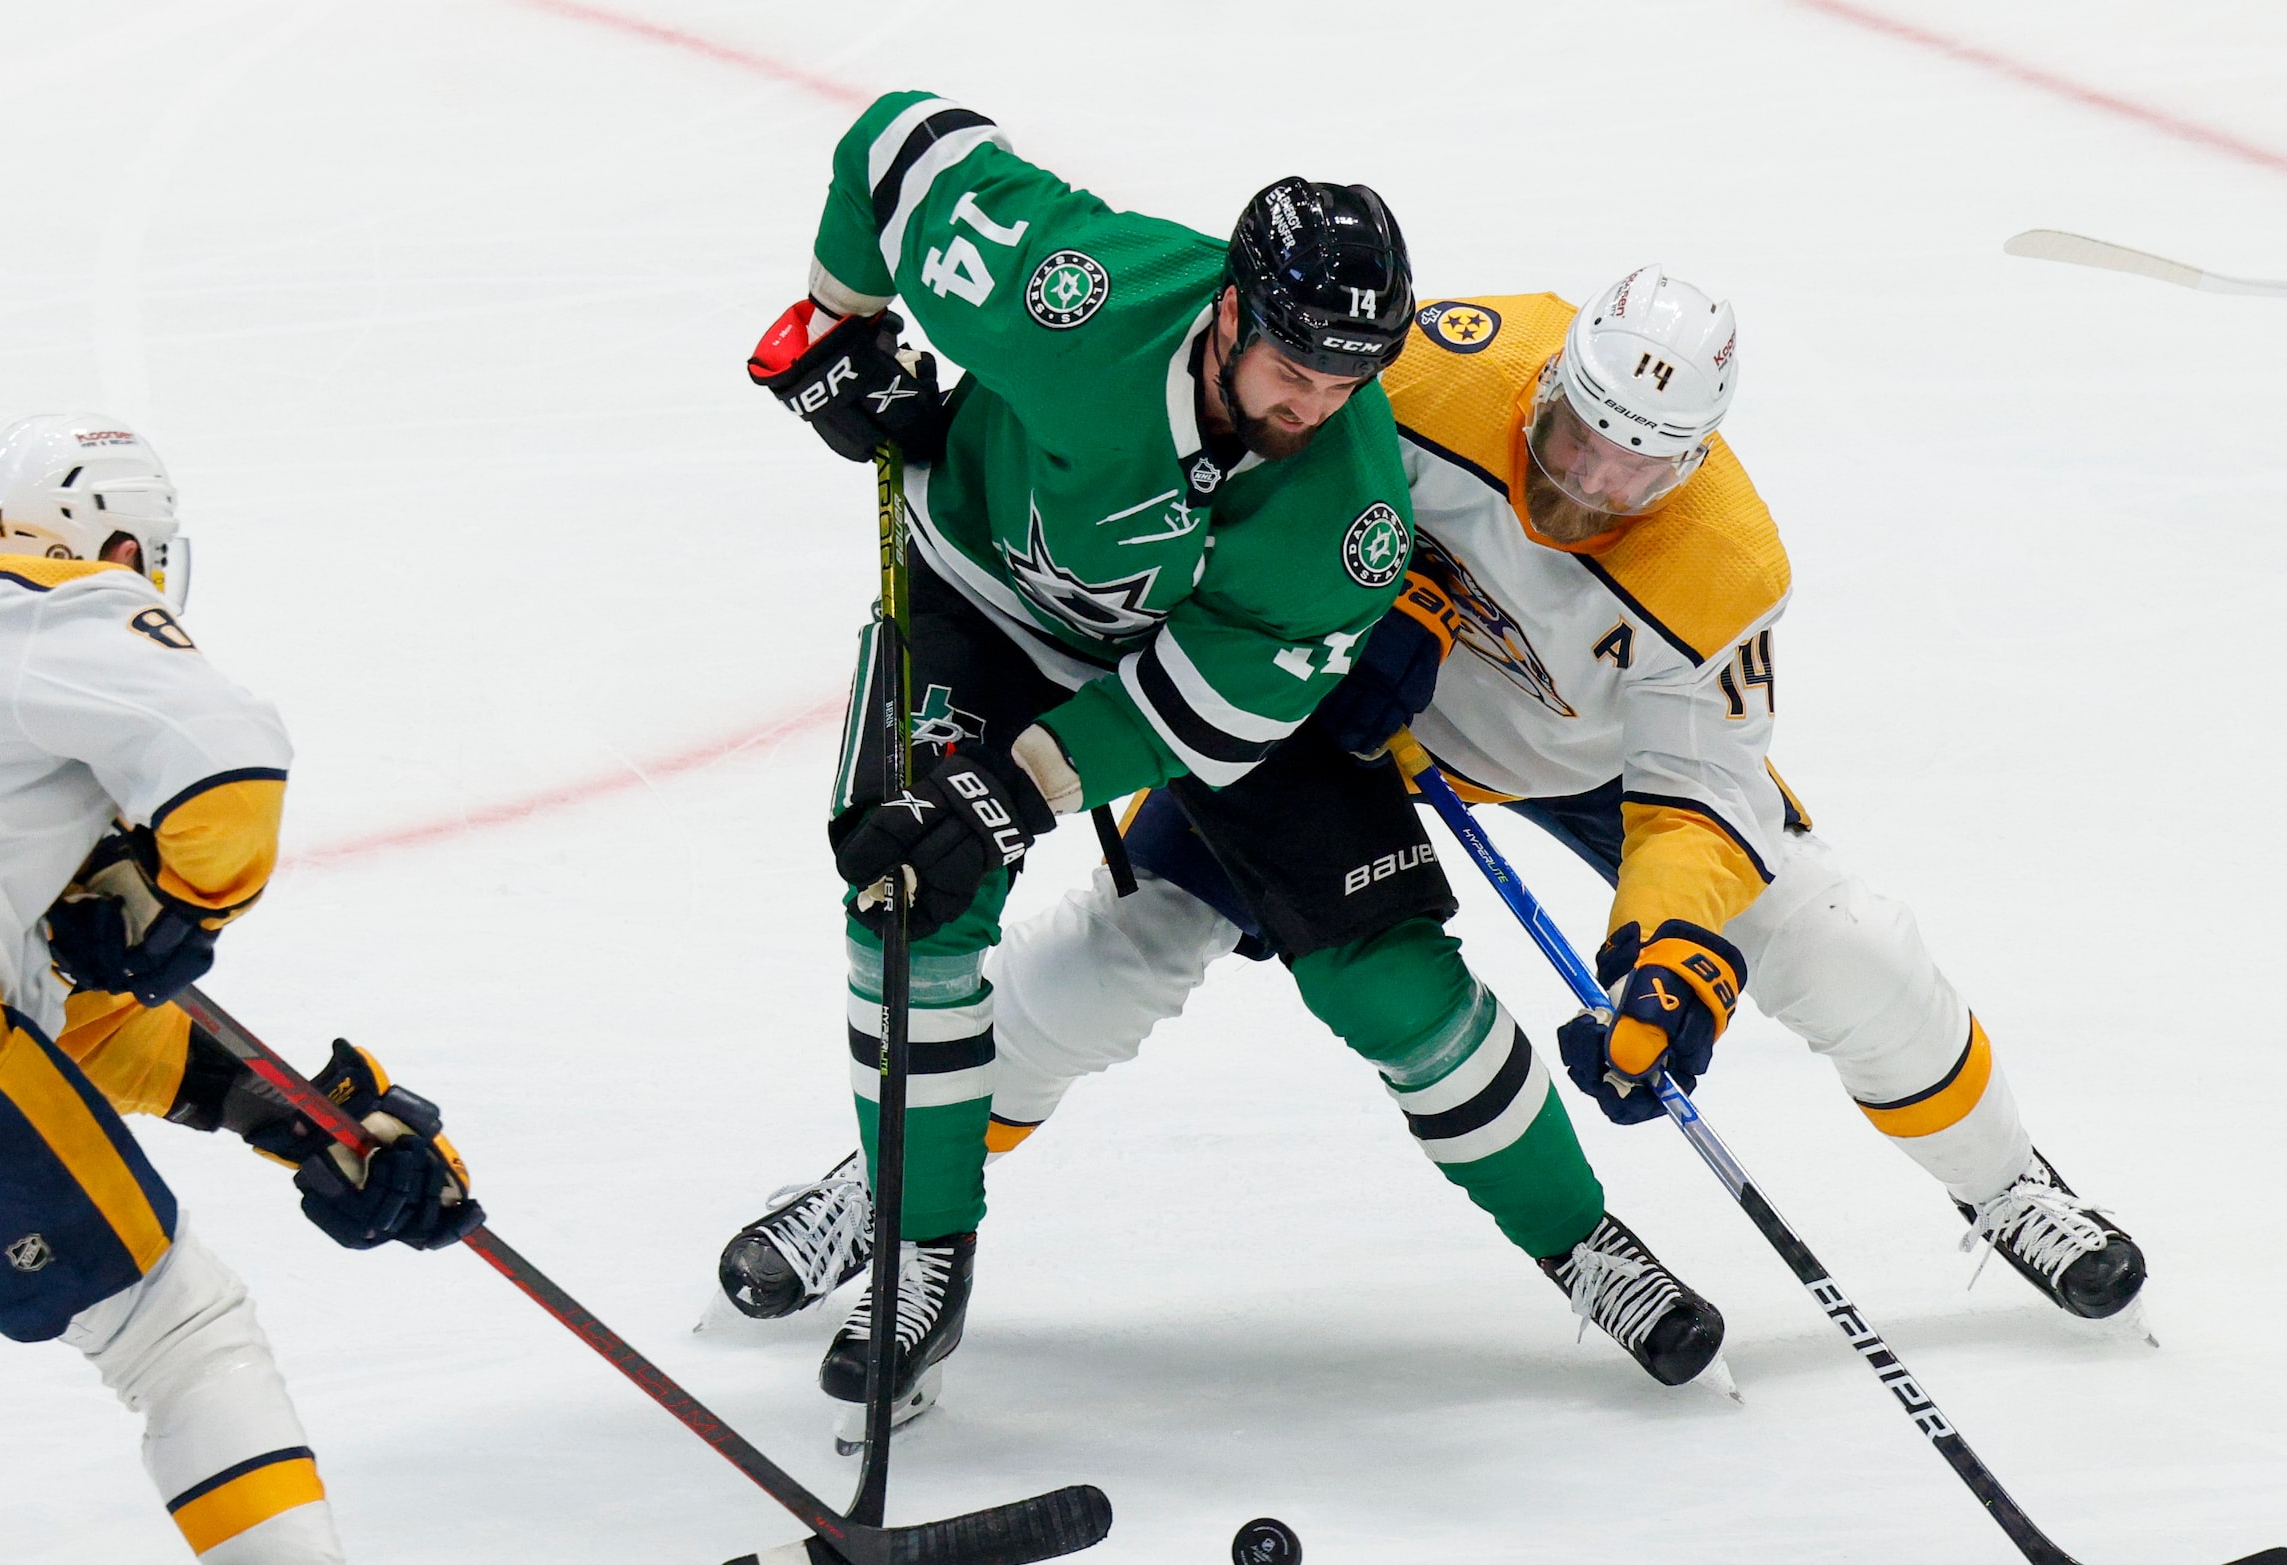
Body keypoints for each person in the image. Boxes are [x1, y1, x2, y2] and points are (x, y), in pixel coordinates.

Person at [728, 267, 2146, 1354]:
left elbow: (1699, 797)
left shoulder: (1719, 567)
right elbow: (1227, 446)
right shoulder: (1431, 370)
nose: (1584, 481)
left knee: (1840, 945)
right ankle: (895, 1187)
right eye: (1578, 432)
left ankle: (2006, 1184)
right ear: (1556, 378)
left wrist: (1673, 954)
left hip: (1577, 759)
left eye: (1633, 468)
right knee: (1119, 952)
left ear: (1694, 459)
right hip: (1321, 722)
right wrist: (1336, 620)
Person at [738, 95, 1728, 1447]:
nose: (1310, 408)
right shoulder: (1076, 291)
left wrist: (1016, 785)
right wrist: (834, 323)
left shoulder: (1352, 514)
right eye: (1291, 371)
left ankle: (1579, 1241)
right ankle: (919, 1251)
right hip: (980, 596)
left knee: (1384, 969)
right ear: (1226, 309)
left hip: (1181, 676)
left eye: (1343, 384)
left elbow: (1200, 714)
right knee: (908, 897)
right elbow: (898, 147)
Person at [0, 413, 509, 1565]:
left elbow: (70, 1026)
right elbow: (227, 753)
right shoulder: (58, 607)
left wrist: (286, 1113)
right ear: (121, 543)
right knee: (170, 1321)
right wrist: (173, 895)